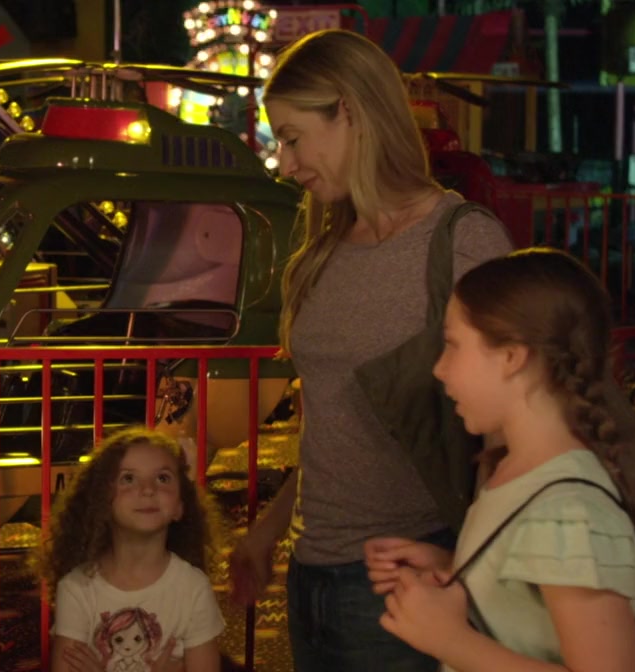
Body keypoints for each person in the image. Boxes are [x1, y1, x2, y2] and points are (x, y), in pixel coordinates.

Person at [226, 29, 517, 671]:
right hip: (310, 568)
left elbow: (513, 435)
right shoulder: (323, 250)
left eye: (293, 138)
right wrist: (269, 531)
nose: (285, 164)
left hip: (405, 571)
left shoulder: (460, 242)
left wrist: (470, 566)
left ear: (351, 111)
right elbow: (338, 426)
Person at [369, 248, 635, 671]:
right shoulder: (516, 472)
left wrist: (449, 639)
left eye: (452, 344)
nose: (439, 369)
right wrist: (457, 568)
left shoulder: (568, 514)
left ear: (512, 357)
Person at [40, 428, 226, 672]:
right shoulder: (77, 589)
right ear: (103, 501)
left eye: (162, 478)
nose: (148, 489)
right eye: (128, 479)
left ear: (180, 506)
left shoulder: (193, 588)